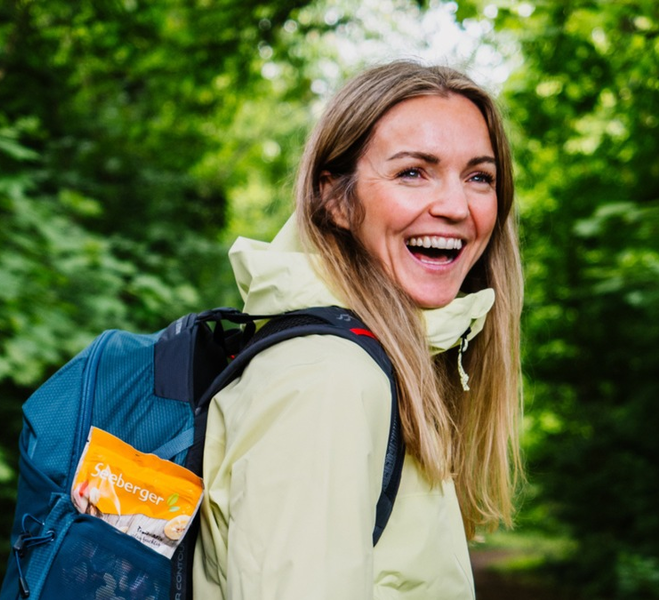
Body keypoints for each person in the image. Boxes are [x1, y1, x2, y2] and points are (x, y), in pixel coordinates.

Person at [193, 60, 523, 599]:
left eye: (478, 177)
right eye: (413, 172)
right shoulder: (328, 379)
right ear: (335, 199)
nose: (456, 206)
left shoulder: (375, 365)